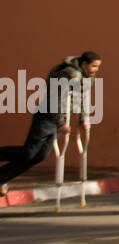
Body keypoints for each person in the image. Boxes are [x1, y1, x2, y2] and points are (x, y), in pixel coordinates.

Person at [0, 52, 101, 196]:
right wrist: (60, 123)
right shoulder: (68, 74)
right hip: (47, 116)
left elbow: (83, 97)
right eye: (94, 66)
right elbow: (57, 99)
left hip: (60, 119)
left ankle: (2, 176)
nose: (96, 70)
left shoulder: (87, 77)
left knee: (40, 155)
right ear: (85, 64)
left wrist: (84, 119)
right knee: (29, 153)